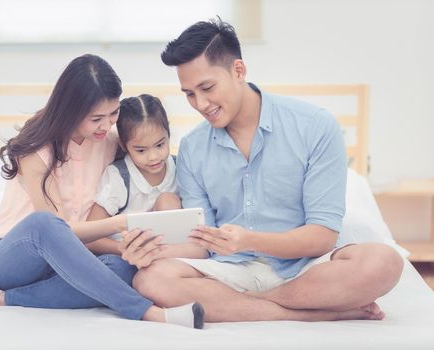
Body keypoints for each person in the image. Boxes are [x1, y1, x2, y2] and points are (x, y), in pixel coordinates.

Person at [119, 19, 404, 323]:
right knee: (149, 279)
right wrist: (151, 251)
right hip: (230, 270)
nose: (200, 104)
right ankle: (306, 313)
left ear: (238, 71)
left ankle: (245, 305)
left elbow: (321, 236)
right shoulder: (192, 148)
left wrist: (249, 240)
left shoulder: (315, 126)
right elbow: (201, 243)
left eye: (207, 88)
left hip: (306, 268)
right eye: (189, 94)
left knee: (383, 262)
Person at [0, 54, 204, 329]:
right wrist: (123, 224)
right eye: (96, 118)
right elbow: (59, 230)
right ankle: (146, 312)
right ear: (71, 110)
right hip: (13, 258)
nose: (107, 125)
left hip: (71, 261)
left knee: (123, 268)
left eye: (113, 113)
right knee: (45, 224)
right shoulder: (36, 148)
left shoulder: (111, 141)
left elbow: (150, 148)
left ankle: (3, 299)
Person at [88, 94, 209, 263]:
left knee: (169, 201)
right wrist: (128, 250)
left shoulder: (181, 167)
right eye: (141, 151)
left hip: (170, 253)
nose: (153, 157)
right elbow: (91, 237)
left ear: (168, 133)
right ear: (124, 146)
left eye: (160, 145)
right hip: (125, 255)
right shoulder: (119, 177)